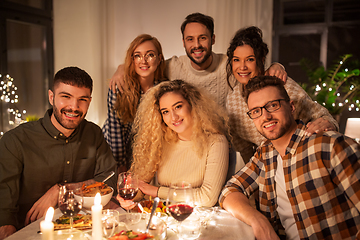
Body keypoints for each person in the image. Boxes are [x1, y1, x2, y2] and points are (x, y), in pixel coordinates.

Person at [219, 75, 360, 240]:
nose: (266, 116)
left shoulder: (329, 145)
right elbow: (229, 191)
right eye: (256, 111)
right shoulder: (264, 154)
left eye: (272, 105)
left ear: (291, 106)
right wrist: (258, 221)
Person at [0, 67, 117, 239]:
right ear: (51, 97)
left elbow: (109, 179)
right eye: (66, 97)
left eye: (82, 99)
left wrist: (64, 189)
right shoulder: (15, 141)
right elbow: (3, 208)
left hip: (84, 231)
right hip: (30, 233)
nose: (74, 107)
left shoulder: (94, 133)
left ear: (89, 101)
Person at [109, 12, 287, 109]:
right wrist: (121, 68)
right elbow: (146, 63)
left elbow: (252, 67)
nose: (197, 45)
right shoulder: (173, 66)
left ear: (213, 39)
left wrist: (276, 65)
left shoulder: (230, 64)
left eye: (202, 38)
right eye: (190, 39)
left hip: (224, 140)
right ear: (183, 42)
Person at [226, 26, 339, 163]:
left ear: (261, 60)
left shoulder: (281, 84)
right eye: (236, 60)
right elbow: (244, 148)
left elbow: (323, 117)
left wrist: (327, 124)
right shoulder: (232, 101)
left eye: (250, 59)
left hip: (303, 158)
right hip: (268, 165)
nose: (242, 67)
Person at [117, 80, 230, 208]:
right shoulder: (159, 141)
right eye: (165, 111)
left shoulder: (216, 142)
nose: (173, 117)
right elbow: (141, 186)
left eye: (178, 107)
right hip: (161, 216)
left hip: (198, 219)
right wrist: (129, 197)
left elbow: (207, 198)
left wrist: (156, 191)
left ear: (193, 105)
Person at [102, 34, 166, 173]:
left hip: (145, 153)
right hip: (115, 150)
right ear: (132, 60)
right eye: (137, 56)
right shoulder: (119, 87)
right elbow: (115, 130)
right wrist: (121, 165)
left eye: (150, 55)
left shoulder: (164, 90)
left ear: (159, 58)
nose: (143, 61)